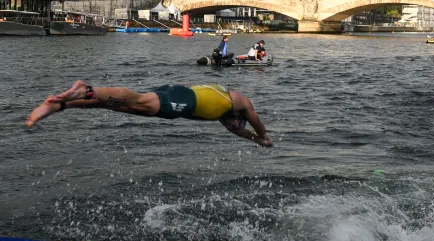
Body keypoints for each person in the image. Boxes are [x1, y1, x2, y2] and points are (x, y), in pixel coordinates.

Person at [25, 80, 273, 147]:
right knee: (141, 101)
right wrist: (264, 136)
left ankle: (60, 106)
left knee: (117, 105)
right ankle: (86, 89)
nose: (232, 126)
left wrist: (255, 140)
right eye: (235, 123)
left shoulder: (224, 115)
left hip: (179, 97)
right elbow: (254, 119)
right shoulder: (238, 101)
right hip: (183, 98)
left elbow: (240, 131)